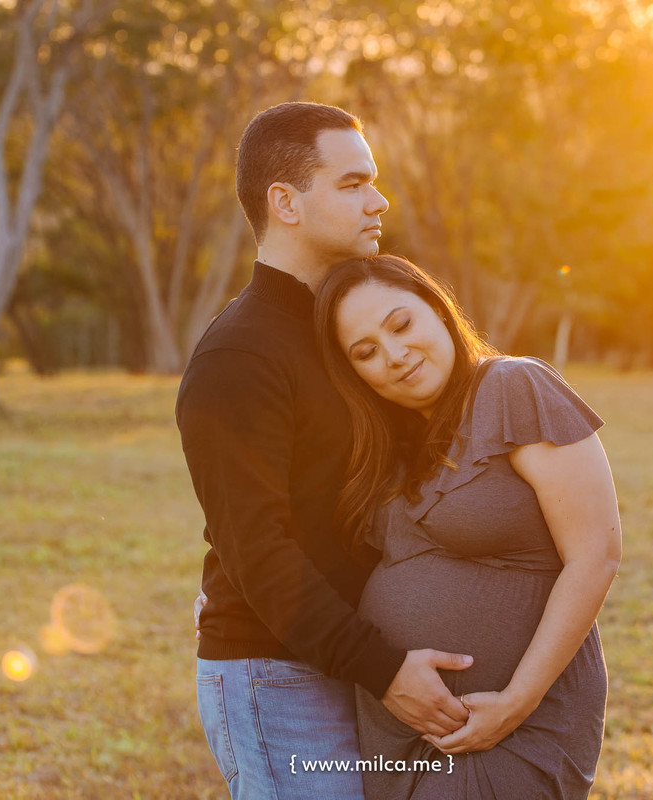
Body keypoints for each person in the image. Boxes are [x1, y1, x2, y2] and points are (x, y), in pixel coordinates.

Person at [176, 103, 474, 800]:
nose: (379, 200)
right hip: (277, 676)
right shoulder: (239, 354)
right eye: (351, 184)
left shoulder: (347, 332)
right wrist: (384, 670)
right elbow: (258, 550)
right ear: (286, 202)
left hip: (357, 664)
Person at [314, 254, 623, 799]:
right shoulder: (388, 445)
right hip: (397, 741)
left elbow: (596, 554)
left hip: (512, 726)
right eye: (365, 353)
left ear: (437, 307)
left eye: (401, 324)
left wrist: (515, 703)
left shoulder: (514, 388)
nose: (394, 355)